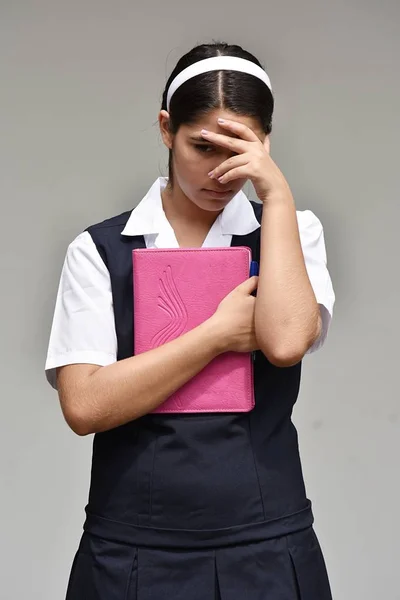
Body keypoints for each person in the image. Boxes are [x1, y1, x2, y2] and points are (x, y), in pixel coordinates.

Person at [45, 41, 335, 600]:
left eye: (240, 148)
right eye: (202, 145)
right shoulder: (101, 249)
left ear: (266, 143)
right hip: (131, 547)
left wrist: (274, 196)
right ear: (165, 130)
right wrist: (215, 335)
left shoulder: (291, 234)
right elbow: (84, 406)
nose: (220, 170)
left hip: (265, 542)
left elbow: (283, 343)